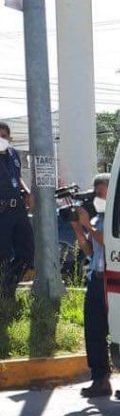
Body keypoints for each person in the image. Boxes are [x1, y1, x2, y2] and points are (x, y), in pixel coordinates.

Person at [71, 174, 112, 398]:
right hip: (96, 277)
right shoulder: (97, 219)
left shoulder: (116, 216)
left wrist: (87, 224)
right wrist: (79, 229)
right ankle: (100, 379)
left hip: (113, 279)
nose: (96, 198)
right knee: (94, 330)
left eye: (100, 193)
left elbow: (110, 242)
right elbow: (90, 251)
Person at [0, 122, 33, 302]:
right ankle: (5, 298)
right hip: (2, 211)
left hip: (18, 209)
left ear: (9, 138)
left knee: (27, 254)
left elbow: (18, 176)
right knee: (3, 256)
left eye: (4, 136)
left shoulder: (13, 154)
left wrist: (27, 192)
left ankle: (7, 289)